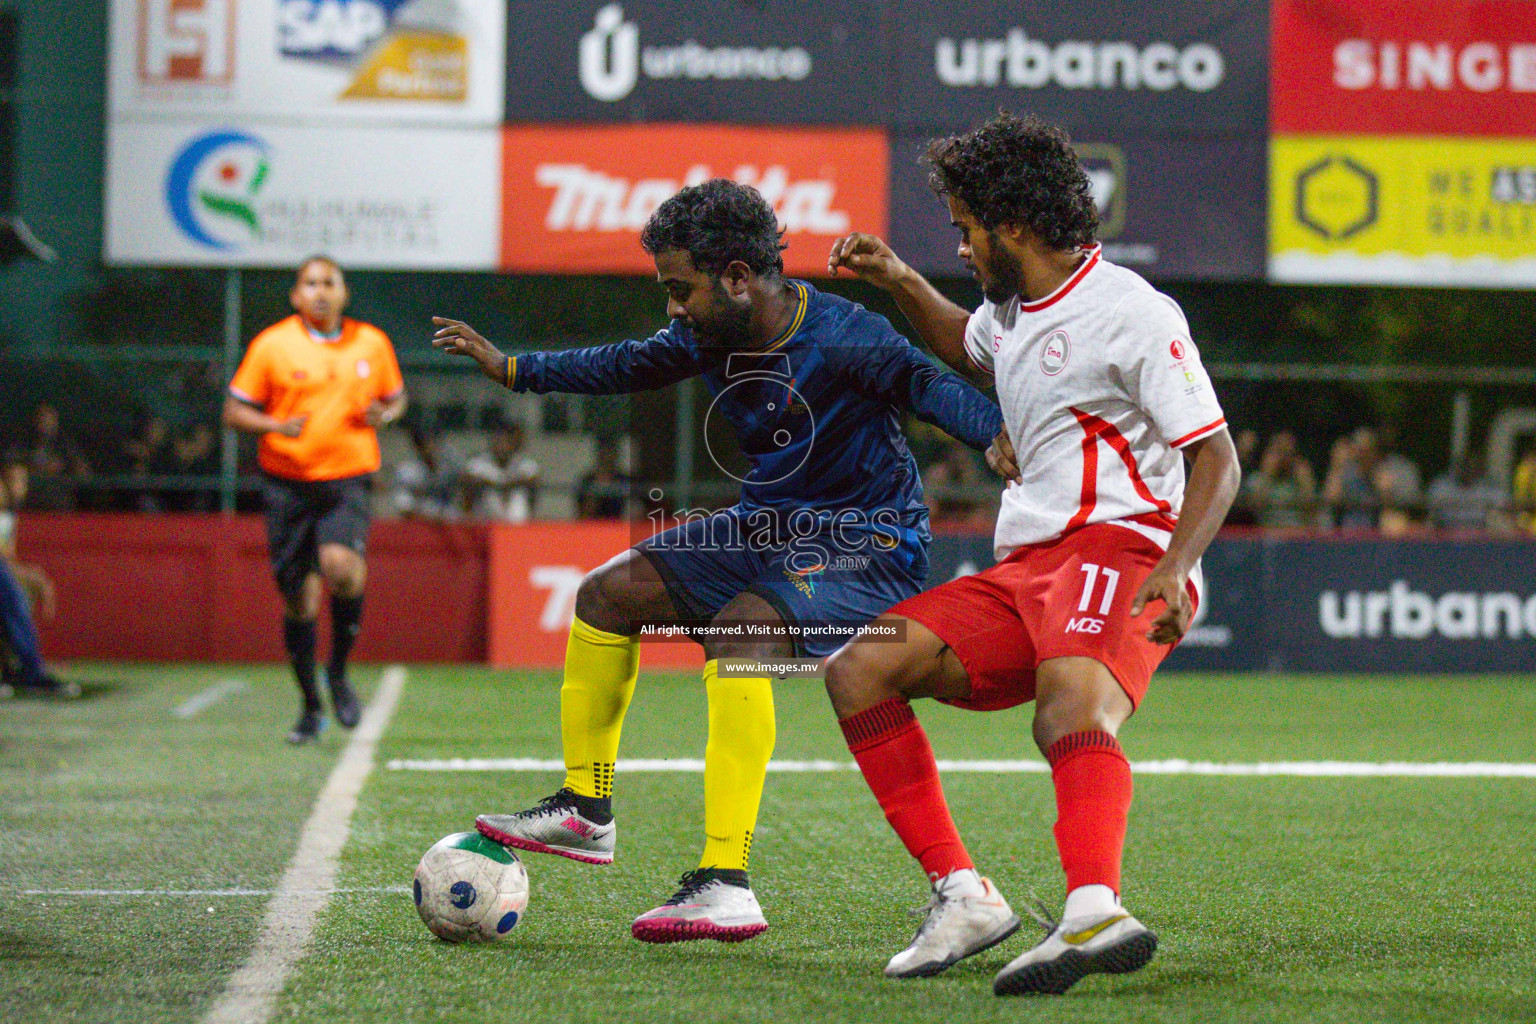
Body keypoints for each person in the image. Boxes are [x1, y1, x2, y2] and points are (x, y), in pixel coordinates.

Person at [432, 178, 1003, 944]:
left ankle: (725, 882)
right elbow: (625, 363)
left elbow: (927, 383)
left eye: (680, 289)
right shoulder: (707, 334)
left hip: (867, 543)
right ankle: (586, 807)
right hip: (763, 524)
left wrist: (997, 437)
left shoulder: (843, 332)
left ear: (738, 277)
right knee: (606, 596)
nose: (672, 307)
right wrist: (513, 370)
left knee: (739, 636)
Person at [823, 112, 1240, 994]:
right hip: (1024, 571)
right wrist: (898, 278)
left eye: (966, 230)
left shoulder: (1130, 310)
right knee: (862, 667)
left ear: (1013, 227)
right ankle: (964, 896)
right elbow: (961, 344)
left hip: (1122, 547)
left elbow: (1216, 456)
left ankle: (1092, 908)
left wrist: (1174, 564)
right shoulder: (1010, 312)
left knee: (1069, 712)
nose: (963, 248)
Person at [223, 256, 406, 743]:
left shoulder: (372, 342)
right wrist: (272, 425)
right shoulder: (272, 344)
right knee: (299, 598)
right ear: (296, 295)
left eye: (330, 283)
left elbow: (396, 397)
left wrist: (385, 414)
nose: (321, 291)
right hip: (287, 483)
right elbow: (234, 410)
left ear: (344, 293)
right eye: (311, 283)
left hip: (347, 478)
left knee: (342, 568)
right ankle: (309, 705)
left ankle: (339, 673)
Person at [0, 453, 79, 699]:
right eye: (16, 481)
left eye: (24, 481)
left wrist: (34, 579)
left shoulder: (8, 515)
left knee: (16, 592)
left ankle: (11, 668)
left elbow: (7, 559)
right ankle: (33, 672)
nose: (21, 487)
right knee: (13, 593)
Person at [461, 419, 539, 523]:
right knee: (489, 494)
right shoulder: (479, 462)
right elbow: (466, 480)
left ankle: (520, 530)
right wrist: (493, 484)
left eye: (506, 442)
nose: (501, 446)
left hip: (511, 512)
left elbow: (533, 480)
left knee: (519, 495)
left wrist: (505, 485)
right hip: (485, 517)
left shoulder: (523, 462)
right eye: (498, 441)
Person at [1241, 430, 1317, 529]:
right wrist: (1267, 475)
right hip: (1266, 533)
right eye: (1279, 452)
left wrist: (1304, 480)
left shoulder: (1300, 476)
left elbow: (1312, 509)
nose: (1283, 458)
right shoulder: (1257, 478)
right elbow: (1254, 508)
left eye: (1287, 452)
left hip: (1297, 533)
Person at [389, 423, 462, 520]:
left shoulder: (450, 465)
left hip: (449, 520)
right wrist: (431, 519)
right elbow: (404, 508)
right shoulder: (407, 471)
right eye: (425, 444)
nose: (431, 447)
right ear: (418, 446)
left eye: (434, 442)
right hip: (419, 522)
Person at [1426, 454, 1511, 533]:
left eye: (1470, 467)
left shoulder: (1488, 489)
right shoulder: (1441, 487)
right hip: (1445, 532)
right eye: (1463, 467)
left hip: (1480, 534)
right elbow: (1428, 508)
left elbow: (1507, 506)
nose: (1466, 471)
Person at [574, 436, 633, 520]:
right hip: (594, 527)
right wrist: (598, 487)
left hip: (618, 527)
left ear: (616, 455)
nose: (608, 457)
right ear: (599, 455)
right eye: (605, 453)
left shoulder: (624, 480)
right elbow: (582, 515)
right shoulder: (588, 480)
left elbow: (635, 511)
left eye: (611, 452)